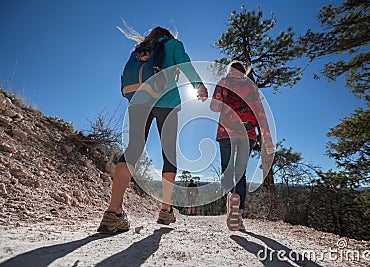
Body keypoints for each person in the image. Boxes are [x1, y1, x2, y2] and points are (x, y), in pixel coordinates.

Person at [97, 26, 208, 234]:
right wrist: (198, 85)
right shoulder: (173, 44)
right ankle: (165, 210)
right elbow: (186, 65)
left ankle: (113, 212)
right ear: (168, 34)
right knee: (169, 154)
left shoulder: (140, 49)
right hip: (167, 102)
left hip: (139, 102)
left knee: (133, 150)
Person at [210, 61, 274, 231]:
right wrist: (266, 139)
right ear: (244, 71)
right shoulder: (251, 87)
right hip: (248, 134)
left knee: (227, 170)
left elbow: (214, 107)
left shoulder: (224, 82)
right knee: (241, 173)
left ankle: (231, 197)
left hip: (226, 132)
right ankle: (239, 216)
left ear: (230, 69)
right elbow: (260, 113)